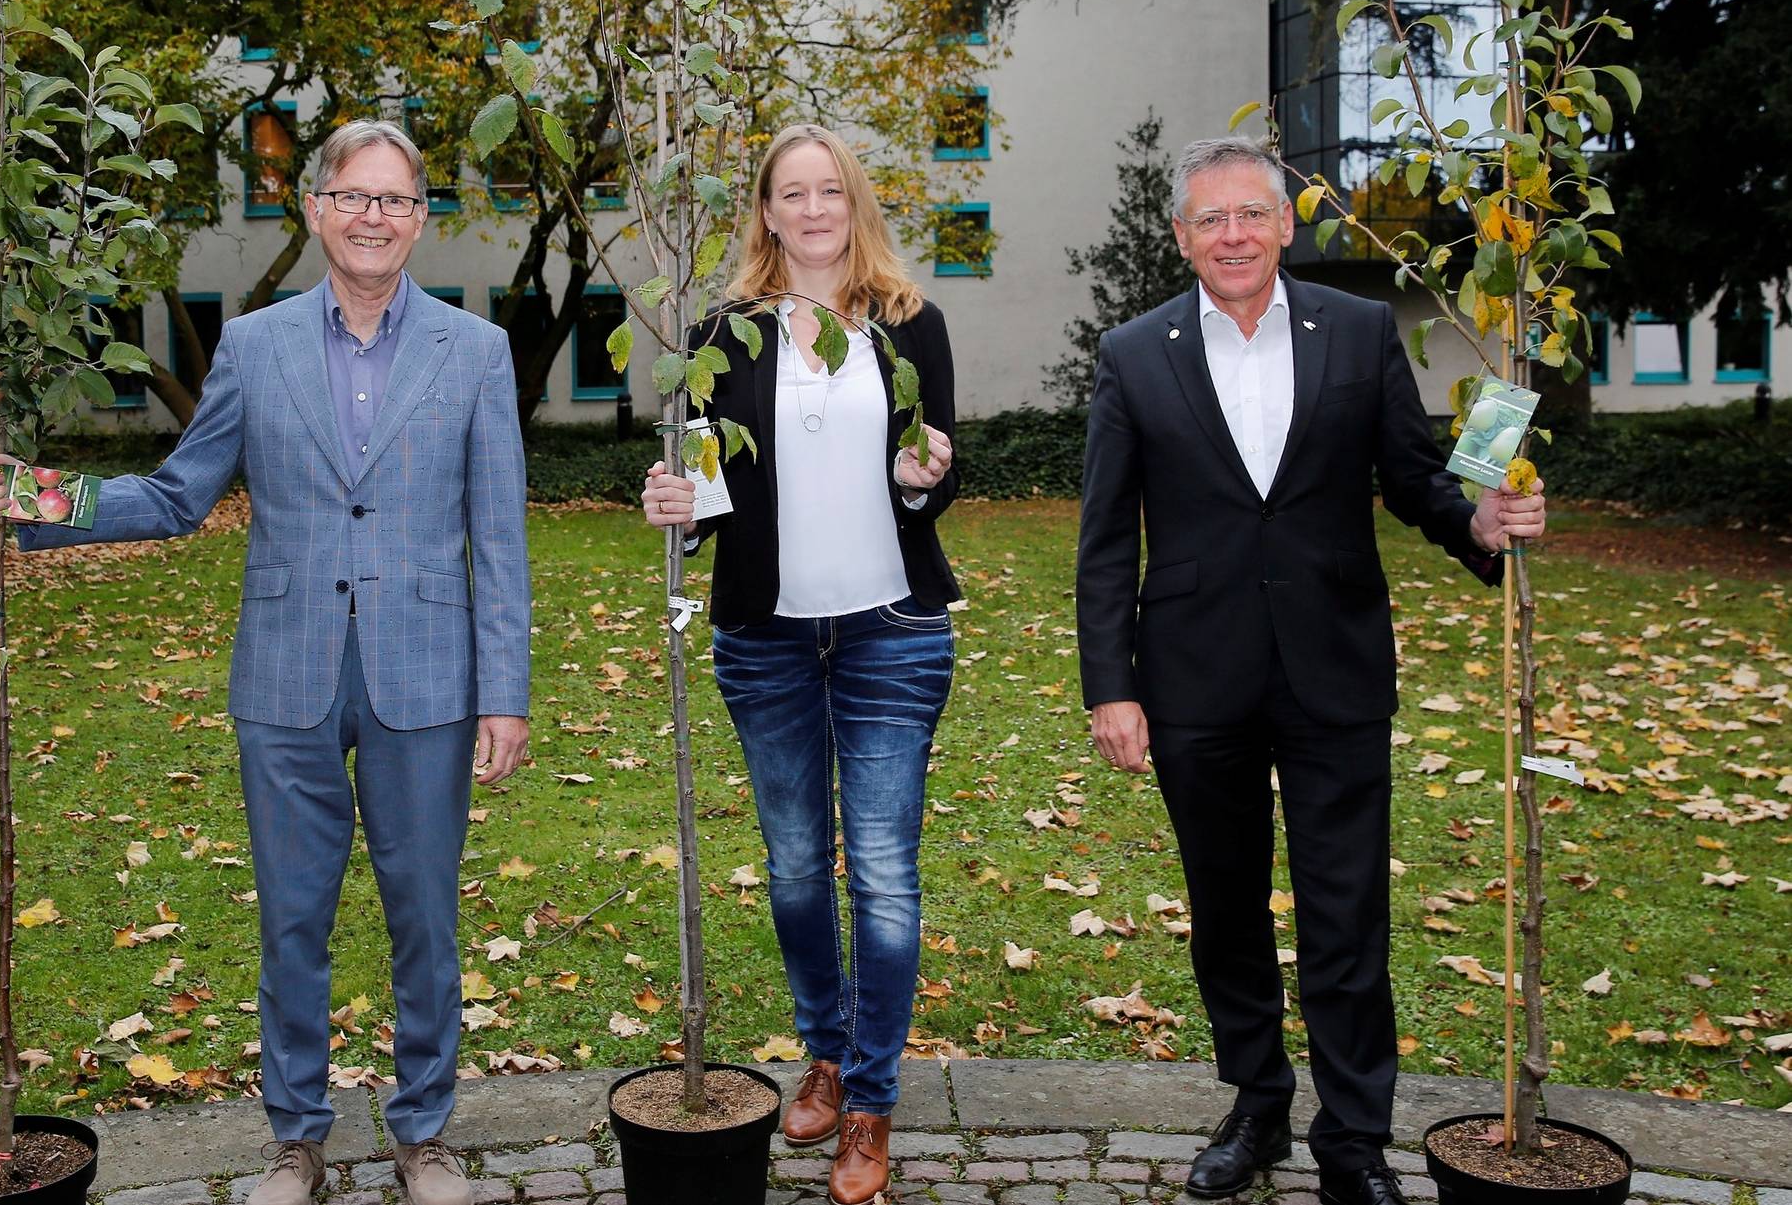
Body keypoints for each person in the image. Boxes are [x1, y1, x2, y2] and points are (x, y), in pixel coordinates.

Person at [0, 119, 530, 1205]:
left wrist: (503, 689)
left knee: (426, 916)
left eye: (396, 201)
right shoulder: (257, 343)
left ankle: (425, 1136)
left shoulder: (478, 352)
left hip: (430, 678)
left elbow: (498, 537)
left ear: (421, 221)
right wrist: (42, 497)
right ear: (315, 209)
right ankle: (296, 1139)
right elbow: (180, 493)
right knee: (291, 916)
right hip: (286, 679)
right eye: (353, 196)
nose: (374, 216)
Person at [1074, 136, 1547, 1205]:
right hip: (1194, 674)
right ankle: (1255, 1104)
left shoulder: (1361, 330)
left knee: (1347, 909)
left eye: (1253, 214)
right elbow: (1107, 538)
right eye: (1211, 219)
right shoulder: (1135, 353)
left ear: (1288, 225)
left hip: (1334, 663)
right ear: (1183, 237)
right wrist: (1113, 682)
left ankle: (1353, 1136)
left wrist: (1481, 522)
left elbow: (1414, 476)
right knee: (1226, 903)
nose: (1233, 234)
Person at [642, 123, 957, 1205]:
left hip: (891, 632)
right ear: (767, 211)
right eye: (793, 193)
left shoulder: (910, 324)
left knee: (882, 871)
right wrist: (678, 503)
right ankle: (824, 1048)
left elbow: (932, 478)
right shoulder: (723, 332)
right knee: (790, 866)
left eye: (832, 190)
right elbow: (707, 487)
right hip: (766, 635)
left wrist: (927, 474)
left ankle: (868, 1099)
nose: (815, 208)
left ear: (853, 203)